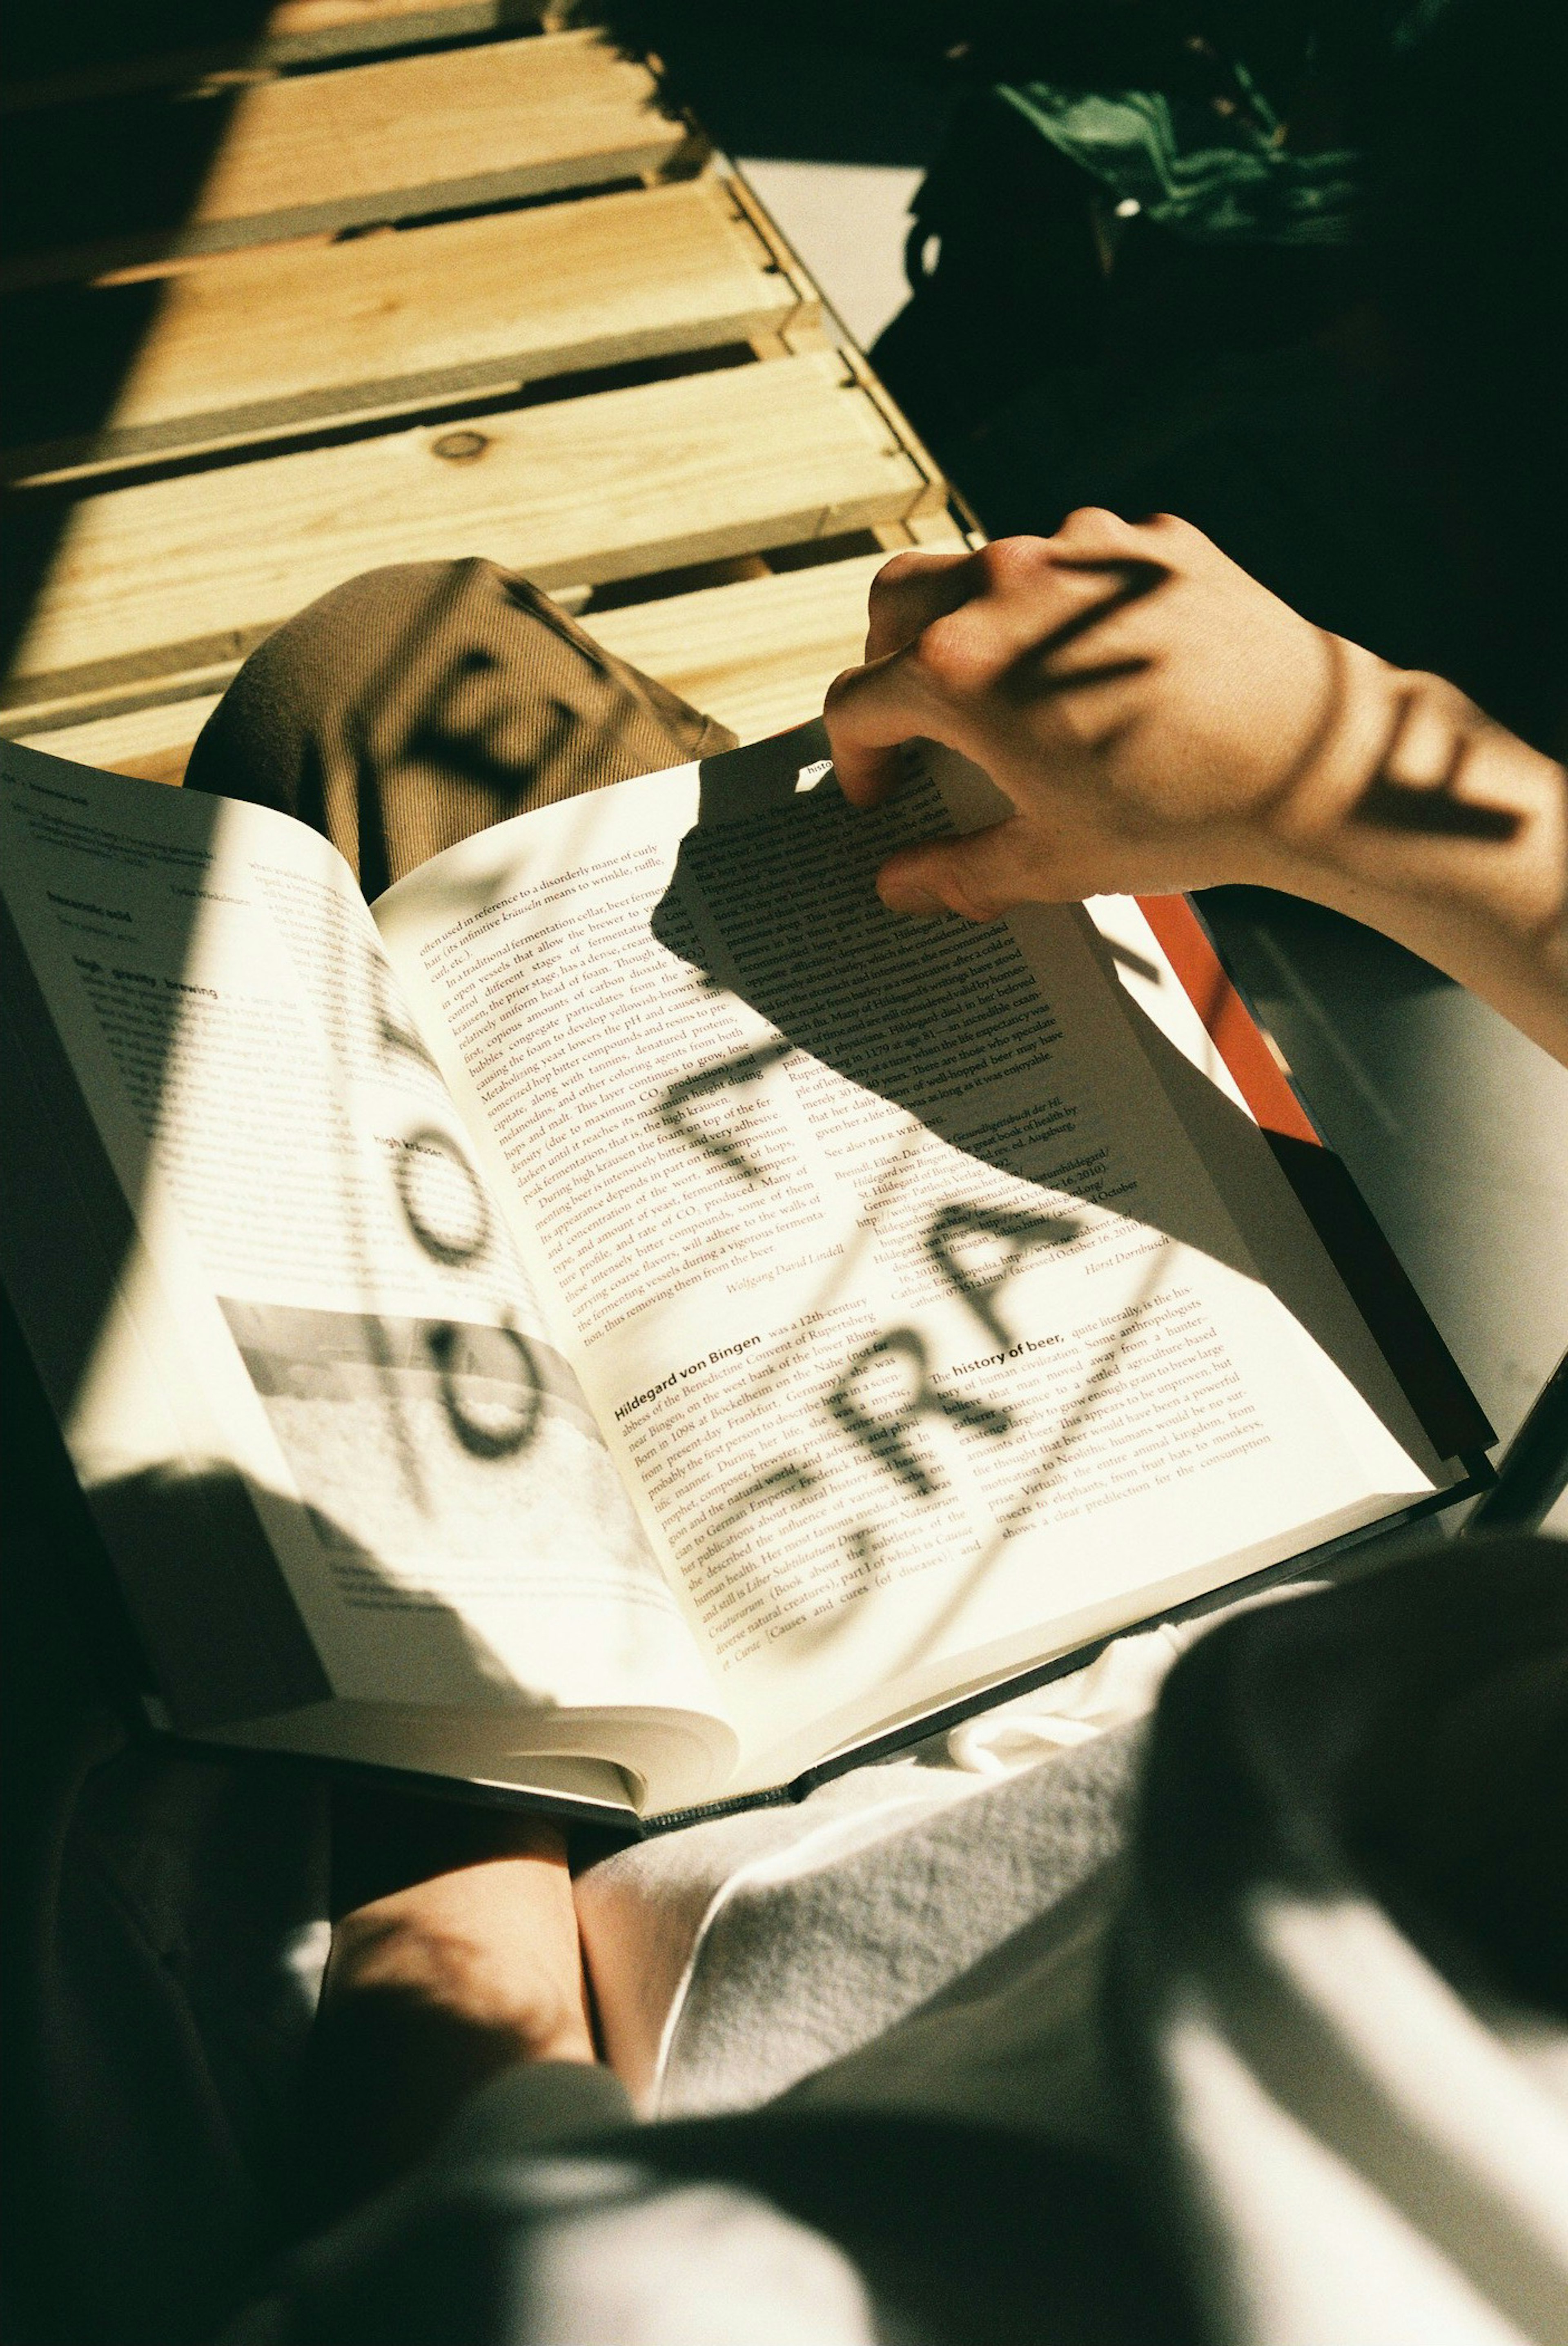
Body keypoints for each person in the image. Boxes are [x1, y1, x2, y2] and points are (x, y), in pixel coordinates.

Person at [116, 506, 1555, 2345]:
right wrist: (1328, 767)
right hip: (1262, 1515)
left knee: (346, 726)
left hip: (633, 1854)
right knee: (398, 663)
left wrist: (453, 1747)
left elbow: (452, 2105)